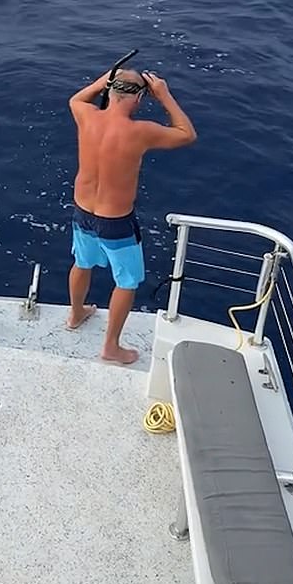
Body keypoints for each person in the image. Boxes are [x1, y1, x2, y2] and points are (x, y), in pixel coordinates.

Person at [67, 67, 197, 364]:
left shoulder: (85, 114)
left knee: (82, 262)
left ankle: (75, 314)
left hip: (83, 210)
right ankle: (111, 347)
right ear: (139, 98)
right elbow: (186, 134)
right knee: (126, 282)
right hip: (116, 222)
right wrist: (164, 95)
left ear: (108, 90)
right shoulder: (140, 131)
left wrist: (104, 79)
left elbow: (76, 98)